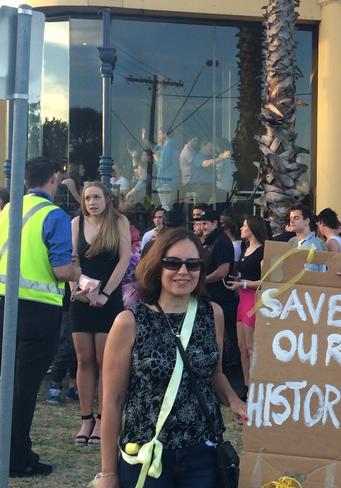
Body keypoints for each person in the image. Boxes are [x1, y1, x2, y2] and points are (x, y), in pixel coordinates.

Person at [98, 228, 246, 487]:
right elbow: (112, 401)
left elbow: (214, 373)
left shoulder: (213, 315)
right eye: (173, 263)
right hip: (146, 455)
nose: (183, 271)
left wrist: (234, 401)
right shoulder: (129, 322)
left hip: (202, 453)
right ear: (157, 266)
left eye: (192, 264)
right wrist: (108, 473)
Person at [0, 157, 81, 477]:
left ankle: (16, 449)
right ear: (53, 179)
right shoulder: (54, 215)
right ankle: (16, 459)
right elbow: (61, 269)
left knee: (7, 383)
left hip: (5, 303)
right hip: (38, 309)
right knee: (25, 386)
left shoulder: (8, 210)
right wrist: (78, 272)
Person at [70, 182, 130, 448]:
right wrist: (76, 290)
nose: (91, 202)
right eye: (87, 198)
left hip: (109, 298)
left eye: (96, 197)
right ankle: (86, 419)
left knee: (105, 361)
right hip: (81, 299)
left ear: (106, 198)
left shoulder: (119, 222)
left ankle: (105, 419)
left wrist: (105, 293)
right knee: (83, 360)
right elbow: (72, 260)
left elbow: (124, 259)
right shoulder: (76, 223)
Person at [225, 216, 267, 388]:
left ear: (252, 229)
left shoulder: (263, 251)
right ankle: (246, 384)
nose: (241, 229)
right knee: (242, 346)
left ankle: (257, 385)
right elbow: (246, 274)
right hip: (242, 299)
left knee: (251, 347)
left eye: (244, 226)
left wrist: (242, 283)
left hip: (252, 299)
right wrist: (238, 279)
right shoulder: (245, 248)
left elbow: (264, 281)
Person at [201, 210, 239, 369]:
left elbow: (223, 271)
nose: (202, 227)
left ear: (215, 223)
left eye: (205, 223)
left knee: (224, 335)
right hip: (210, 295)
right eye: (200, 223)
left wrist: (202, 280)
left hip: (222, 297)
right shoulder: (209, 241)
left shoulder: (221, 242)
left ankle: (227, 367)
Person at [288, 205, 326, 271]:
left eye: (296, 218)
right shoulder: (297, 242)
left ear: (307, 221)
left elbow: (309, 275)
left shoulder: (311, 246)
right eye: (290, 218)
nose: (291, 221)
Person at [153, 129, 180, 210]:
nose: (158, 137)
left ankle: (167, 222)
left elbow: (164, 164)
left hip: (165, 181)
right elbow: (154, 150)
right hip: (170, 180)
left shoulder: (169, 146)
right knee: (169, 206)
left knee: (166, 206)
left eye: (159, 134)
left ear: (165, 134)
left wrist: (157, 159)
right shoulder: (167, 146)